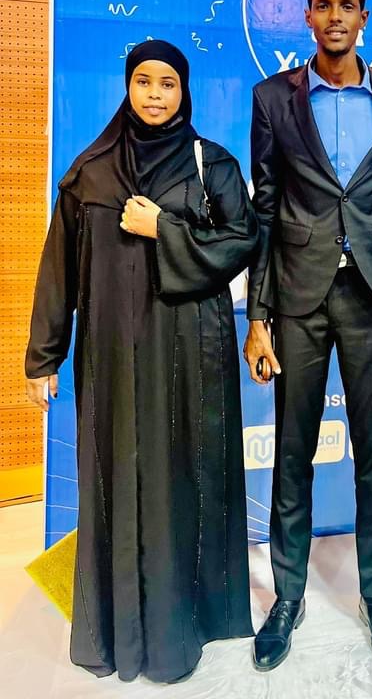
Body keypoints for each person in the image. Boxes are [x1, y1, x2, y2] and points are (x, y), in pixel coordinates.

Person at [25, 41, 258, 683]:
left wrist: (167, 231)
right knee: (118, 476)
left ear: (185, 92)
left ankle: (186, 624)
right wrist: (44, 357)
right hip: (112, 358)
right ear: (128, 87)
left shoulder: (211, 164)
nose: (156, 95)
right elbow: (57, 270)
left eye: (168, 84)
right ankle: (117, 629)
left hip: (190, 358)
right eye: (144, 82)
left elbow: (243, 240)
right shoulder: (90, 173)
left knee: (183, 478)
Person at [243, 0, 372, 672]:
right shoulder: (273, 99)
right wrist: (259, 315)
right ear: (307, 16)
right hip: (296, 296)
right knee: (292, 450)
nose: (335, 17)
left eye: (347, 5)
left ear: (364, 17)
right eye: (323, 5)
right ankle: (288, 596)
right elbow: (264, 209)